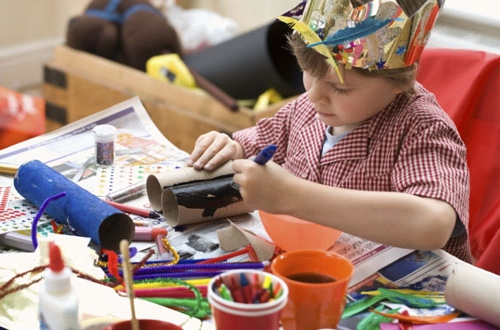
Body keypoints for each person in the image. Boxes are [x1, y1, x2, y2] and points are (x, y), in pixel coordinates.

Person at [187, 0, 471, 262]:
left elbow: (434, 223)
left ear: (399, 81)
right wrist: (227, 146)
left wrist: (294, 196)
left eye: (340, 88)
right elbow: (251, 145)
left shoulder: (422, 127)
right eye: (308, 73)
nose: (314, 96)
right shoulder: (308, 108)